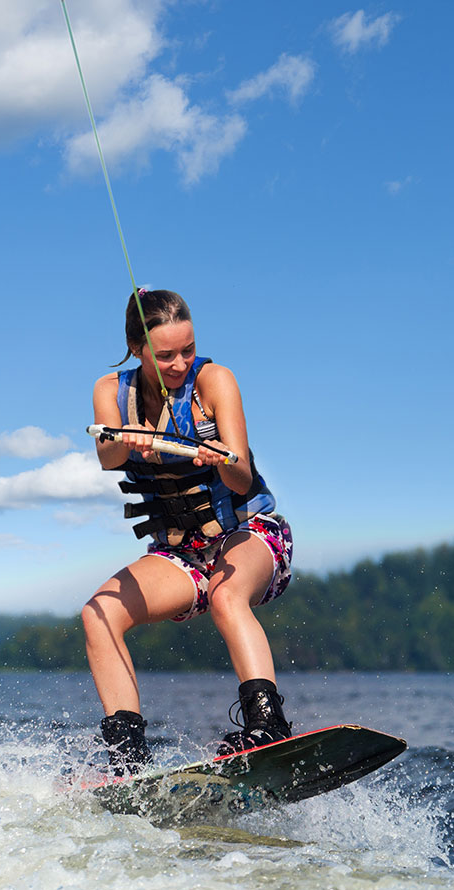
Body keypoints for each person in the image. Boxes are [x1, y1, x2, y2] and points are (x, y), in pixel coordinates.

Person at [82, 288, 294, 776]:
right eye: (165, 355)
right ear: (137, 349)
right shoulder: (110, 391)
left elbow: (241, 477)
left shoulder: (215, 381)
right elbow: (108, 455)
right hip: (181, 555)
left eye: (187, 350)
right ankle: (128, 760)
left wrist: (220, 458)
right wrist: (131, 439)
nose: (179, 364)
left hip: (252, 535)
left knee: (226, 596)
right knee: (99, 614)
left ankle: (268, 726)